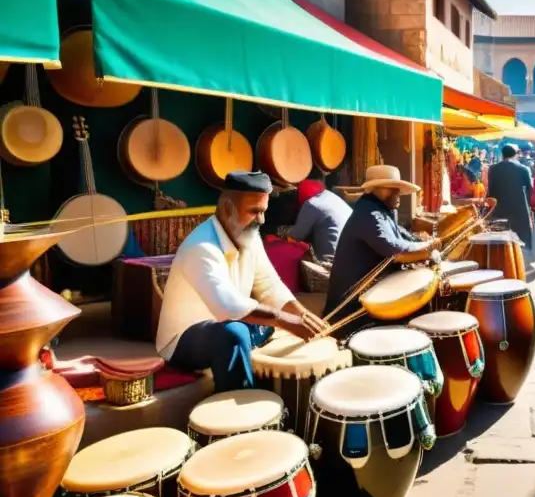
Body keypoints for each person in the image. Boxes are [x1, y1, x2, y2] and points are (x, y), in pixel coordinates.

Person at [156, 171, 321, 393]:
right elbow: (227, 306)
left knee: (263, 323)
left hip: (228, 321)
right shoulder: (201, 246)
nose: (261, 220)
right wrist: (285, 320)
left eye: (263, 212)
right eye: (254, 212)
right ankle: (241, 409)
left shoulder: (250, 236)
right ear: (226, 208)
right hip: (183, 341)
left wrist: (304, 317)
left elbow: (270, 286)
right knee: (234, 334)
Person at [323, 164, 441, 321]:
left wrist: (423, 242)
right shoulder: (369, 213)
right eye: (392, 188)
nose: (397, 194)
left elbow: (402, 236)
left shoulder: (383, 211)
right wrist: (427, 249)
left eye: (397, 189)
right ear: (375, 189)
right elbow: (395, 250)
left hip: (368, 294)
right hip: (351, 308)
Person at [288, 176, 352, 261]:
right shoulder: (330, 195)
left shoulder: (312, 204)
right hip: (351, 254)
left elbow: (295, 237)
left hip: (330, 261)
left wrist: (282, 231)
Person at [487, 144, 534, 250]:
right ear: (515, 154)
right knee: (520, 239)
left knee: (501, 239)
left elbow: (490, 190)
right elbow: (530, 189)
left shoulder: (493, 169)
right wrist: (531, 208)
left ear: (502, 155)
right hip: (519, 208)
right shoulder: (523, 169)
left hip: (500, 208)